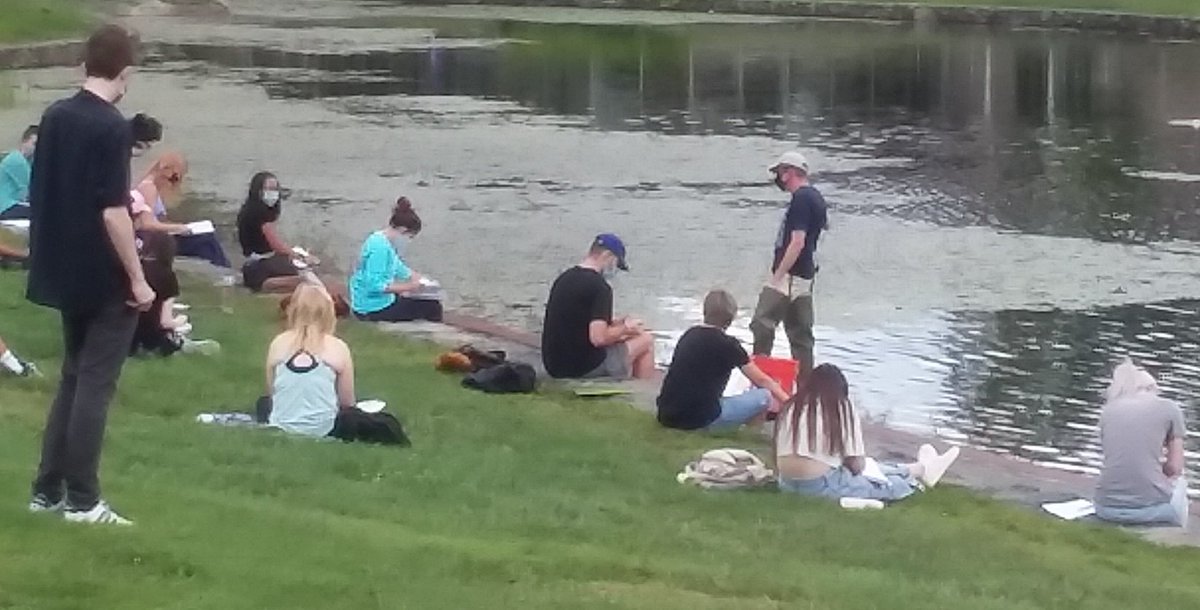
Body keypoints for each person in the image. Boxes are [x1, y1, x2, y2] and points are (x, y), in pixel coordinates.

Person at [26, 24, 152, 525]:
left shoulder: (55, 116)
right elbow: (112, 211)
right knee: (94, 385)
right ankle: (83, 498)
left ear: (84, 65)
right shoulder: (110, 127)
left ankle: (46, 490)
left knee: (72, 379)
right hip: (102, 272)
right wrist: (139, 279)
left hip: (61, 265)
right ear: (125, 73)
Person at [775, 363, 960, 502]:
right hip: (821, 485)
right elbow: (857, 464)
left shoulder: (792, 406)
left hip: (787, 484)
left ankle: (920, 467)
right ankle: (919, 475)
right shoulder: (840, 408)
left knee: (867, 468)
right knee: (883, 485)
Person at [657, 290, 790, 431]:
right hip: (699, 420)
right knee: (765, 396)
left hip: (667, 415)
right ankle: (750, 433)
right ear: (731, 318)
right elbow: (763, 381)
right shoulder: (729, 345)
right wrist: (790, 403)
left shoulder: (689, 335)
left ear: (705, 311)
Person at [750, 151, 828, 376]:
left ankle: (760, 379)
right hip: (805, 276)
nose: (778, 177)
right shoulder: (816, 197)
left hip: (790, 276)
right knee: (801, 335)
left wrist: (778, 276)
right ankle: (805, 391)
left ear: (789, 173)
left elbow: (797, 242)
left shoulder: (801, 199)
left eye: (780, 172)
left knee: (762, 324)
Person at [541, 233, 654, 380]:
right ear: (607, 256)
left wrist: (617, 324)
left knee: (627, 337)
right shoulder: (600, 287)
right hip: (582, 368)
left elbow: (578, 321)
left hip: (555, 365)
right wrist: (626, 329)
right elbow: (598, 338)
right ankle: (641, 394)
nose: (614, 269)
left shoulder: (565, 278)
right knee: (646, 340)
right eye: (615, 263)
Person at [1094, 358, 1189, 527]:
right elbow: (1175, 467)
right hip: (1149, 510)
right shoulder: (1169, 408)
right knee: (1181, 481)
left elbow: (1116, 457)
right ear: (1152, 388)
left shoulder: (1108, 411)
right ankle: (1177, 530)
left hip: (1104, 507)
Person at [265, 284, 355, 437]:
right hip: (325, 428)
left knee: (262, 404)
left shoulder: (278, 343)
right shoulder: (338, 347)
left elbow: (273, 391)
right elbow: (347, 402)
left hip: (282, 424)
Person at [348, 197, 443, 322]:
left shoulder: (381, 240)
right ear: (403, 230)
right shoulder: (379, 248)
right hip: (371, 308)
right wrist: (410, 287)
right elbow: (375, 285)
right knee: (433, 307)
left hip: (377, 300)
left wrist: (418, 278)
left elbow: (398, 267)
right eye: (410, 237)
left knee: (418, 298)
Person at [130, 151, 231, 268]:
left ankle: (222, 267)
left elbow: (157, 220)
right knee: (205, 241)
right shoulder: (149, 188)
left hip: (157, 236)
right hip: (152, 240)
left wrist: (179, 227)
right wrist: (179, 228)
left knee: (207, 237)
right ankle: (223, 269)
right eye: (173, 179)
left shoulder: (152, 188)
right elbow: (146, 224)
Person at [236, 171, 312, 293]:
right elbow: (276, 245)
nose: (273, 193)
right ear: (259, 191)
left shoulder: (247, 210)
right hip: (261, 266)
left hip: (251, 264)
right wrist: (299, 255)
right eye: (269, 189)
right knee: (309, 276)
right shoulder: (261, 214)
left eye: (275, 189)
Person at [0, 125, 37, 221]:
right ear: (24, 142)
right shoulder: (17, 160)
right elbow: (32, 187)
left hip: (14, 204)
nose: (37, 148)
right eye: (34, 144)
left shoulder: (29, 161)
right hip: (5, 206)